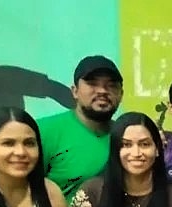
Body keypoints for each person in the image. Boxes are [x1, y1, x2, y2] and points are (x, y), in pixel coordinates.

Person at [38, 56, 123, 199]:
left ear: (121, 94)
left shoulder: (128, 137)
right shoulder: (43, 132)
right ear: (75, 91)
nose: (102, 90)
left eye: (111, 85)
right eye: (92, 83)